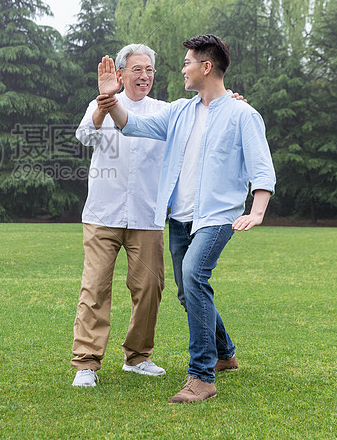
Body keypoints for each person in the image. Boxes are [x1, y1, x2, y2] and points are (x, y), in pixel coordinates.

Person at [96, 34, 276, 403]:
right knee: (187, 291)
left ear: (205, 67)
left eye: (187, 63)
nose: (182, 70)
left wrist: (255, 212)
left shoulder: (243, 114)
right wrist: (111, 99)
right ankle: (225, 353)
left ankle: (201, 375)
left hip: (217, 217)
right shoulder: (179, 111)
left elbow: (262, 169)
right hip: (179, 218)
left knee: (194, 277)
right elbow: (131, 125)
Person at [71, 43, 168, 387]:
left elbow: (201, 120)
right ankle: (86, 363)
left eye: (150, 70)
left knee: (150, 287)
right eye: (137, 70)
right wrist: (104, 103)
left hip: (147, 215)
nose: (144, 76)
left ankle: (138, 357)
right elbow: (85, 135)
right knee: (95, 288)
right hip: (103, 213)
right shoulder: (100, 104)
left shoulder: (165, 111)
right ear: (121, 73)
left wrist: (229, 101)